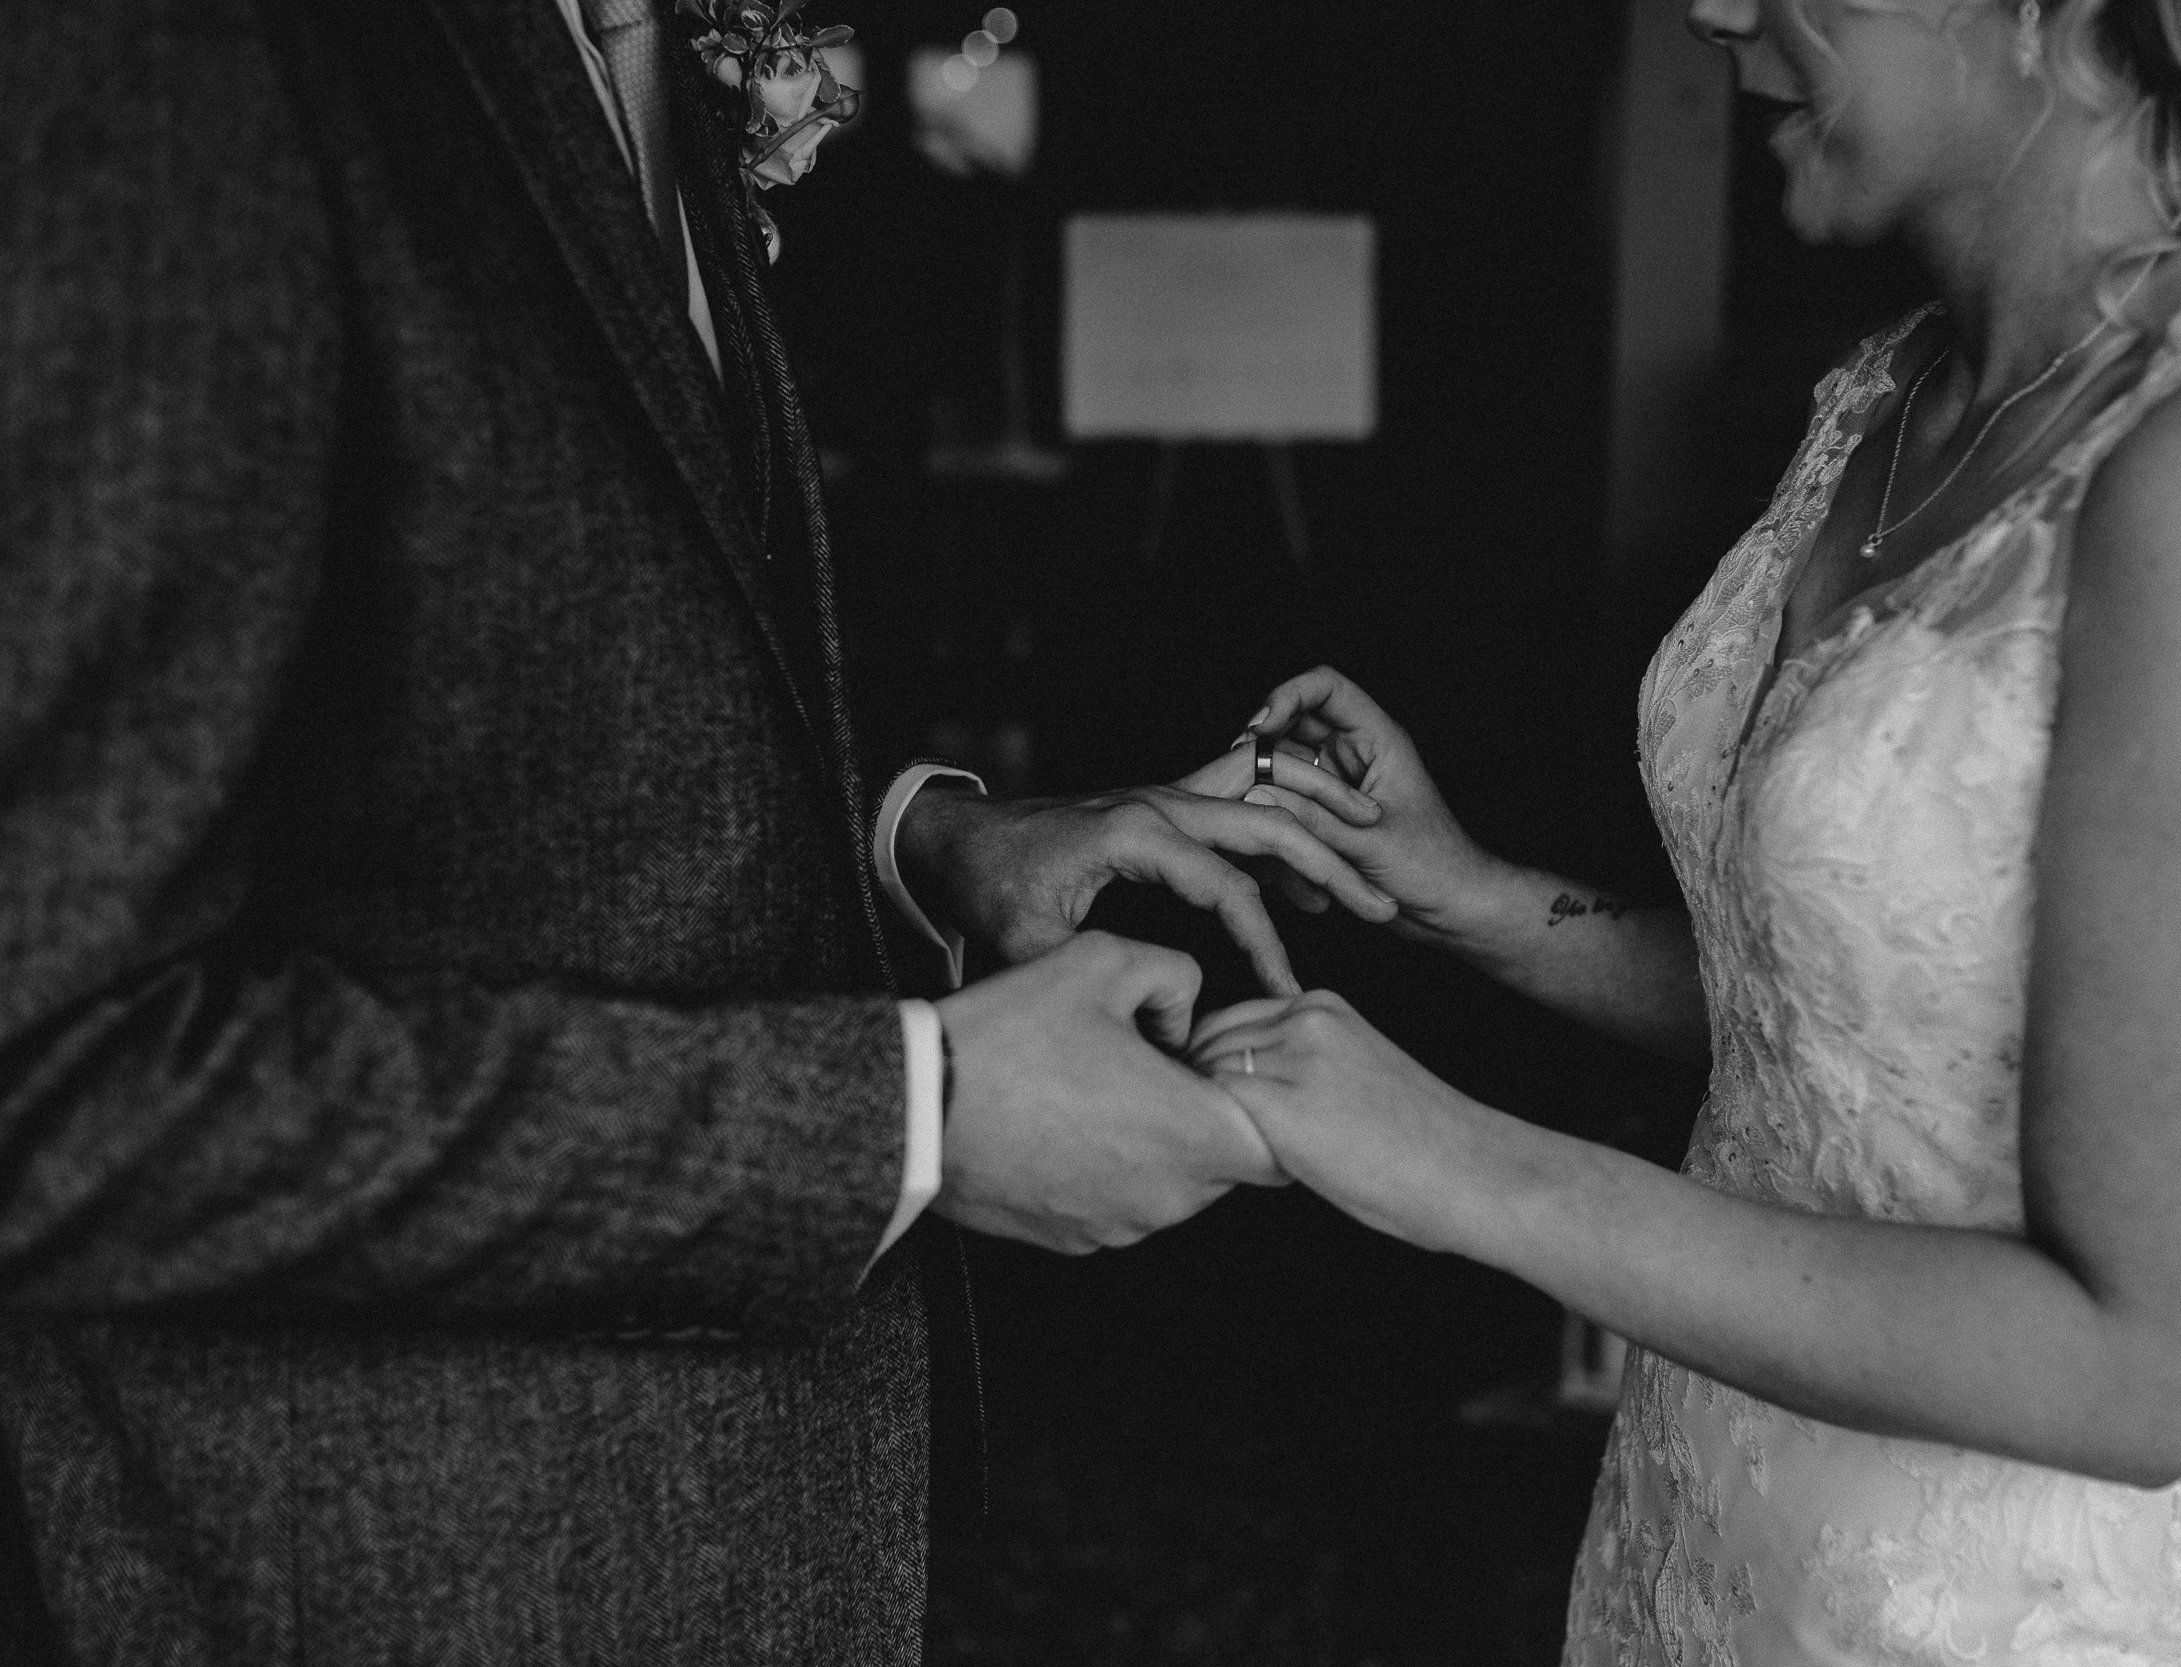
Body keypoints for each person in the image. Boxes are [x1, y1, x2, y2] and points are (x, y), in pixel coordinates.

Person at [0, 2, 1402, 1660]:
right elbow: (54, 1080)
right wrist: (905, 1122)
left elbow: (505, 732)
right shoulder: (187, 61)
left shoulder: (652, 51)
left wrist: (923, 850)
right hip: (425, 1576)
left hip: (727, 1542)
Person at [1176, 0, 2181, 1659]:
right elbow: (1863, 1044)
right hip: (1705, 1529)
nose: (1717, 12)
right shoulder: (1892, 391)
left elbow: (2141, 1366)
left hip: (1986, 1614)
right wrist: (1478, 901)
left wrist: (1465, 1167)